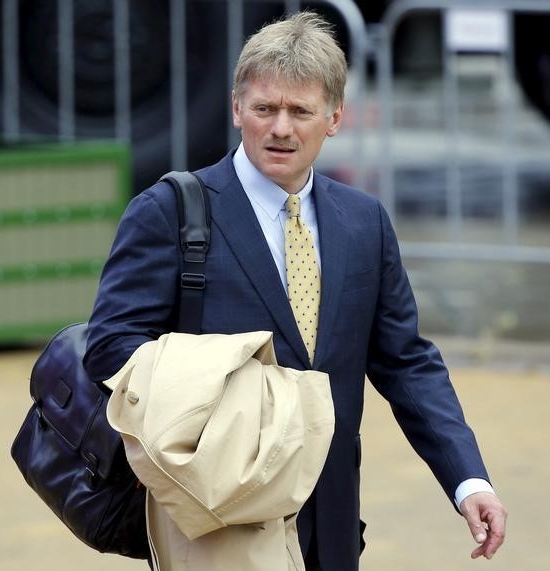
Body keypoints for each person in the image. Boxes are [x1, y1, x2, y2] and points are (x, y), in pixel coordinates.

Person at [84, 11, 507, 571]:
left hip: (329, 526)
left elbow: (406, 362)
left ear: (334, 118)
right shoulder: (169, 213)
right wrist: (233, 392)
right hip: (217, 517)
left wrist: (467, 479)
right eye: (264, 109)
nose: (280, 128)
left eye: (299, 111)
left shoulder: (363, 222)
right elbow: (109, 348)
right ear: (237, 109)